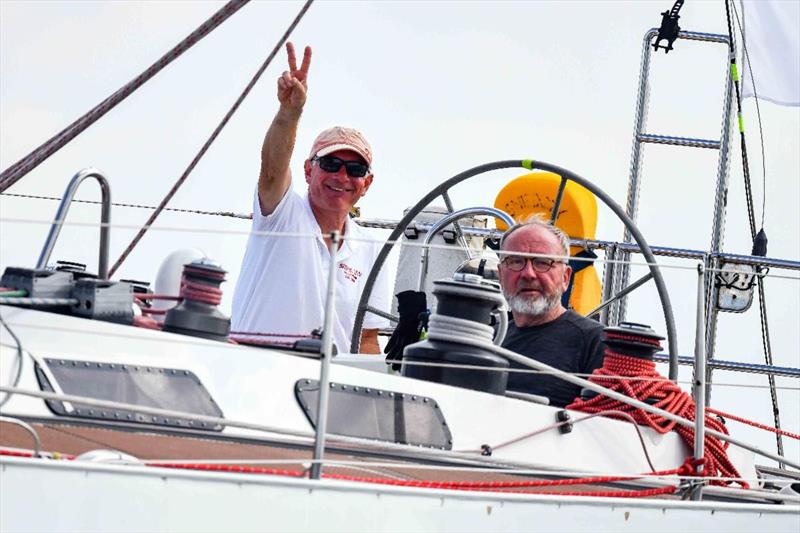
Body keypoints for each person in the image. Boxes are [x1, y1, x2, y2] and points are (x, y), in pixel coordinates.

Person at [231, 42, 389, 353]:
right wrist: (290, 112)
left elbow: (368, 340)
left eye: (354, 169)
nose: (342, 177)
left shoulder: (372, 250)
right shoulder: (282, 213)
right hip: (254, 377)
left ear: (366, 183)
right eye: (330, 164)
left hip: (331, 391)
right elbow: (273, 169)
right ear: (308, 170)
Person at [497, 215, 606, 407]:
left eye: (542, 262)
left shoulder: (595, 342)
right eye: (515, 261)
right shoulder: (488, 336)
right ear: (500, 275)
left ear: (565, 277)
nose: (528, 274)